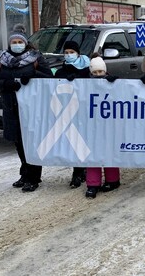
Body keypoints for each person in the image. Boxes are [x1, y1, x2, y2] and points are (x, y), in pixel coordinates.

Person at [0, 29, 53, 192]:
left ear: (25, 43)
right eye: (14, 42)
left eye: (20, 42)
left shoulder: (36, 58)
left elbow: (50, 79)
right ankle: (25, 173)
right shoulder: (3, 60)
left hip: (32, 109)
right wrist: (6, 84)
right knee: (18, 142)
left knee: (31, 141)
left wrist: (33, 74)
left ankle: (34, 177)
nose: (17, 45)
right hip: (11, 107)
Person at [54, 40, 91, 188]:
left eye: (72, 52)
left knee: (82, 141)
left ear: (78, 54)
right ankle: (78, 172)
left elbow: (97, 80)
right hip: (67, 111)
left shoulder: (87, 69)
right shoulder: (60, 71)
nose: (69, 55)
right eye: (66, 52)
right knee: (73, 143)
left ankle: (81, 171)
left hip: (84, 110)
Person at [85, 56, 121, 198]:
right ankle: (93, 183)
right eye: (95, 72)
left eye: (101, 72)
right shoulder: (85, 84)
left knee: (109, 151)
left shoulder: (112, 83)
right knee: (92, 152)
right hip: (91, 123)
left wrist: (117, 83)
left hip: (109, 123)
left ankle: (113, 180)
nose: (98, 75)